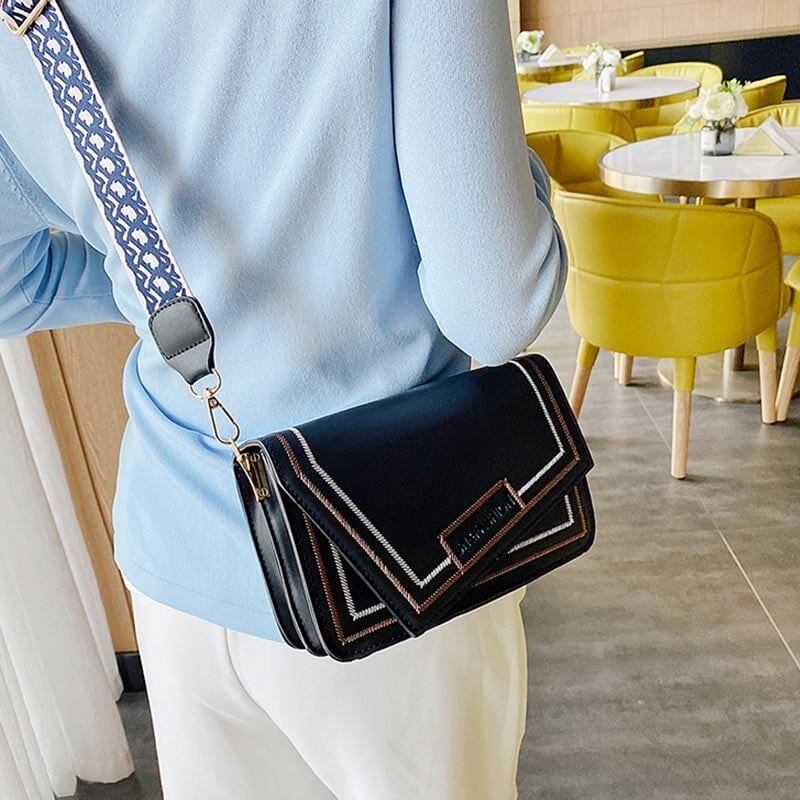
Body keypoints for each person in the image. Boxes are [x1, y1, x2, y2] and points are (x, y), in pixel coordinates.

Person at [0, 2, 566, 798]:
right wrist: (522, 175)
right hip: (390, 551)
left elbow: (11, 281)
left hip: (179, 557)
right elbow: (496, 303)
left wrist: (177, 308)